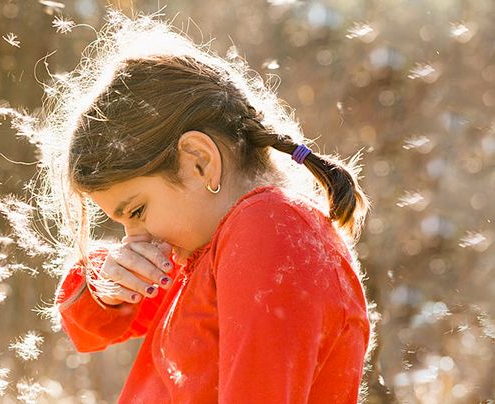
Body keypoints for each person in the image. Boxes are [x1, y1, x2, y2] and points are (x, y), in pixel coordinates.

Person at [40, 11, 372, 404]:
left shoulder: (266, 231)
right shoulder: (218, 243)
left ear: (198, 160)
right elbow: (87, 321)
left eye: (137, 211)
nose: (134, 239)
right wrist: (107, 282)